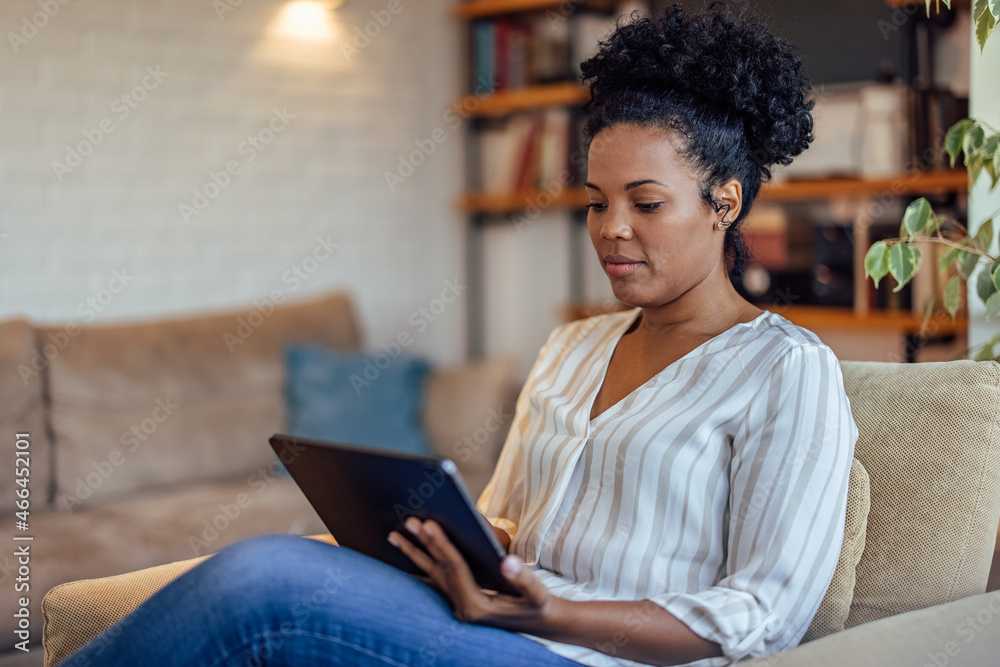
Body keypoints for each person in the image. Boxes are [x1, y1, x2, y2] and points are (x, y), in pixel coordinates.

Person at [63, 4, 857, 667]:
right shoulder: (573, 348)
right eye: (595, 201)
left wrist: (553, 614)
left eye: (646, 204)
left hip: (590, 655)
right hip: (499, 628)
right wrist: (422, 543)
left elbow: (765, 612)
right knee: (297, 557)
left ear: (724, 202)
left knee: (262, 585)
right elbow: (504, 521)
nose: (612, 231)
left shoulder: (786, 371)